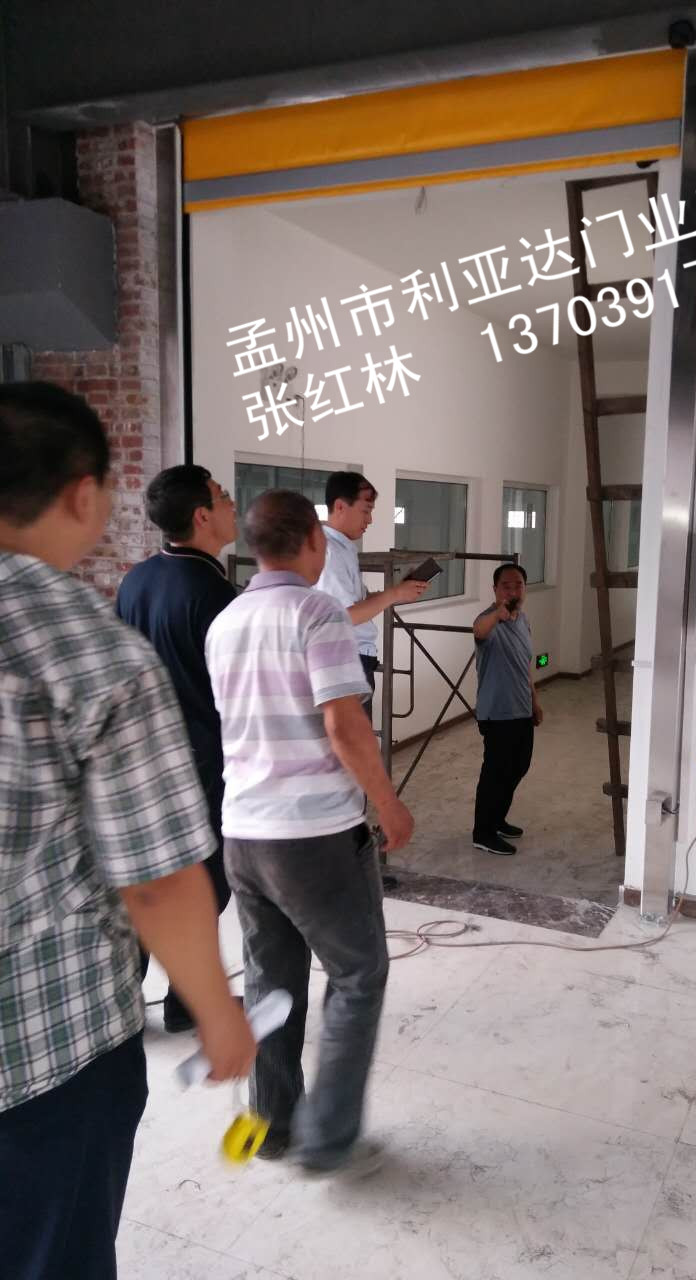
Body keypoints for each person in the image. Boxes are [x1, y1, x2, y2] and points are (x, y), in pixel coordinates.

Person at [0, 382, 255, 1280]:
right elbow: (155, 879)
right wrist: (217, 1012)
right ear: (82, 494)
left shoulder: (134, 586)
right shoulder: (83, 645)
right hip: (44, 1051)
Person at [206, 489, 414, 1176]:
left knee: (272, 983)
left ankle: (272, 1125)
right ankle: (326, 1137)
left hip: (244, 833)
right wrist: (388, 803)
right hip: (315, 835)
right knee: (358, 974)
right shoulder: (317, 612)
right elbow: (343, 725)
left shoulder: (226, 621)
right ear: (314, 541)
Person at [116, 465, 238, 1032]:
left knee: (152, 881)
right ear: (202, 516)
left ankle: (124, 1004)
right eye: (223, 496)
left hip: (143, 761)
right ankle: (188, 1002)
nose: (232, 503)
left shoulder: (136, 580)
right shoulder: (214, 594)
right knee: (207, 883)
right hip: (201, 764)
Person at [316, 471, 428, 708]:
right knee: (353, 732)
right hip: (344, 661)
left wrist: (401, 591)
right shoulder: (330, 551)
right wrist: (394, 594)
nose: (370, 520)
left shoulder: (343, 547)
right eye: (366, 511)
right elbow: (347, 616)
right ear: (340, 506)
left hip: (352, 659)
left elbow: (360, 601)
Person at [471, 562, 544, 856]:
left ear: (525, 589)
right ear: (495, 590)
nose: (513, 591)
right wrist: (496, 615)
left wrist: (534, 700)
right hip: (497, 712)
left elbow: (526, 664)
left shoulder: (523, 620)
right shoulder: (488, 621)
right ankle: (483, 832)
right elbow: (478, 630)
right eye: (506, 586)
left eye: (518, 585)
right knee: (495, 772)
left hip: (521, 708)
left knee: (519, 766)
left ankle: (497, 819)